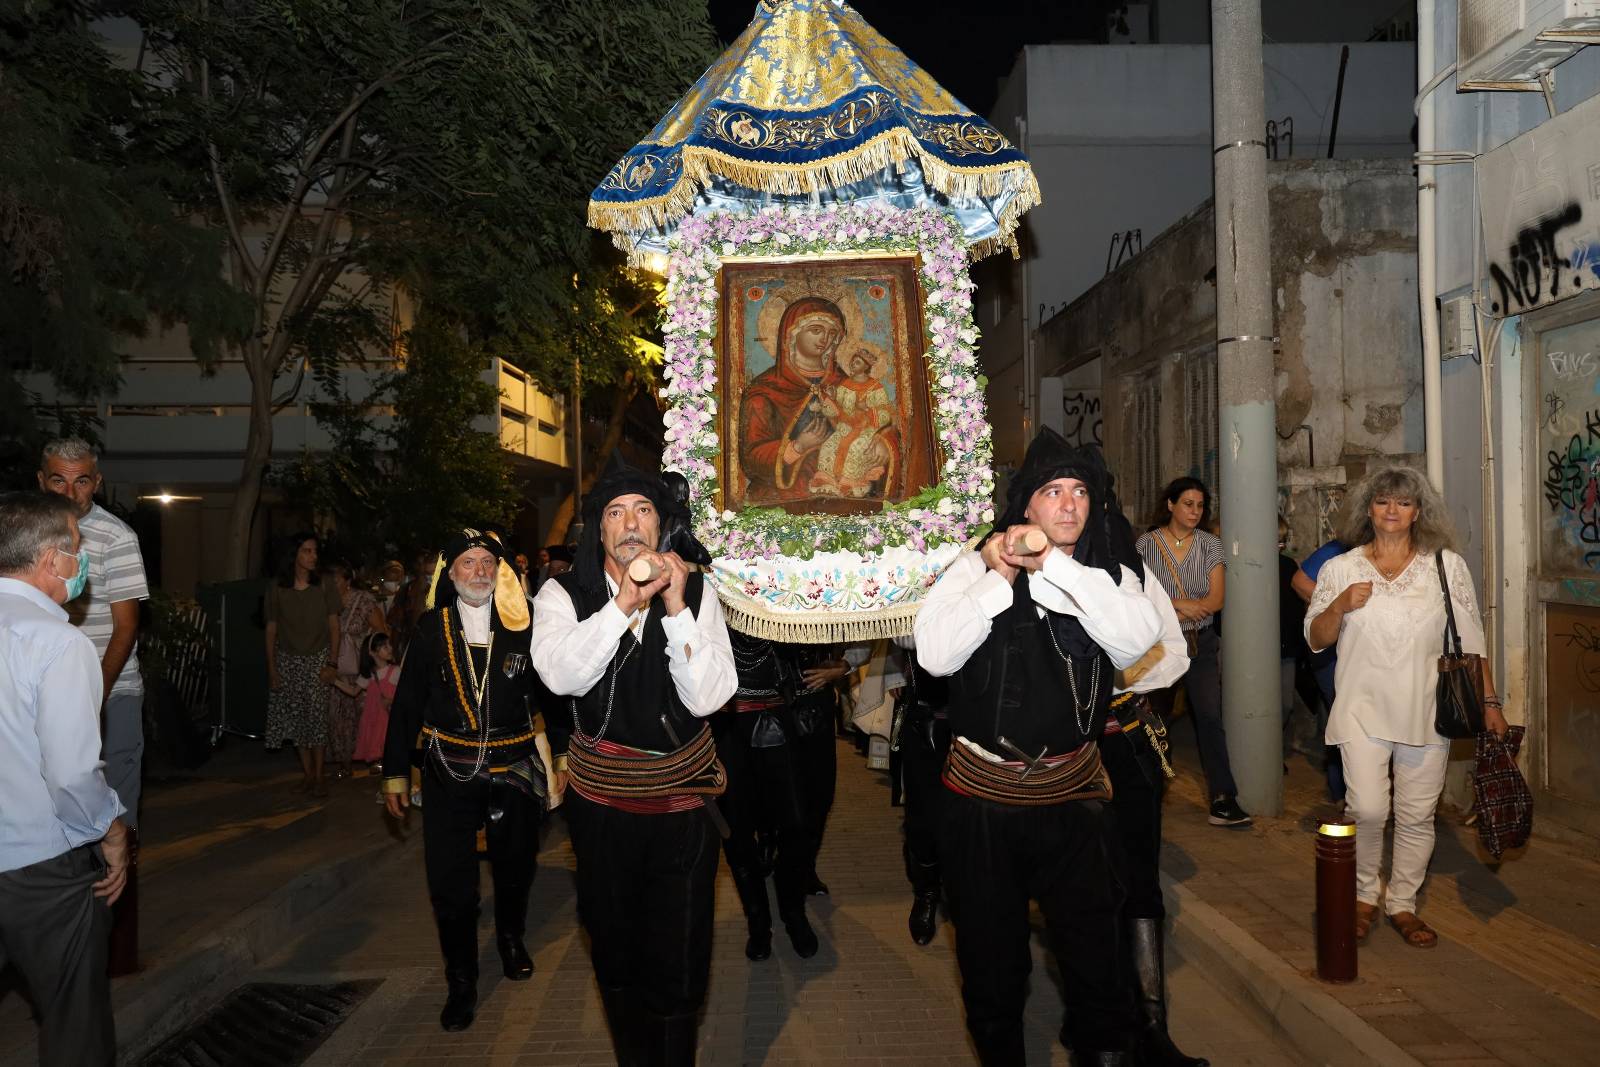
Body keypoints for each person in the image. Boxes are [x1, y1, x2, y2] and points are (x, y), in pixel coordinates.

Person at [915, 429, 1162, 1065]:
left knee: (1096, 963)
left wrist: (1052, 564)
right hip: (982, 804)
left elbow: (1135, 641)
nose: (1069, 505)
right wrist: (998, 579)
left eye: (1080, 491)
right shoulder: (973, 566)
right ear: (1027, 505)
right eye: (1053, 492)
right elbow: (936, 657)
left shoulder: (1112, 571)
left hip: (1073, 799)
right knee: (992, 968)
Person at [532, 451, 736, 1064]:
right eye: (615, 512)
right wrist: (621, 606)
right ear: (599, 529)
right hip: (603, 812)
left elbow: (711, 695)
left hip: (683, 808)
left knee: (680, 962)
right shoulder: (562, 593)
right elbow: (561, 675)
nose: (629, 524)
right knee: (616, 955)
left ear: (660, 526)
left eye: (643, 510)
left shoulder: (697, 589)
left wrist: (673, 607)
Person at [1306, 465, 1507, 950]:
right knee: (1369, 809)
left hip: (1425, 708)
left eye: (1403, 502)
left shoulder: (1446, 566)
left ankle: (1402, 903)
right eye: (1382, 501)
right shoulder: (1341, 569)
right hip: (1361, 707)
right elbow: (1315, 638)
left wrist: (1491, 702)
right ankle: (1363, 895)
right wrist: (1339, 607)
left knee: (1417, 814)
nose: (1392, 511)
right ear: (1367, 510)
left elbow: (1471, 642)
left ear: (1419, 511)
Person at [382, 529, 546, 1031]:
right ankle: (462, 981)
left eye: (486, 563)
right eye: (467, 563)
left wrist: (559, 758)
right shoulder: (431, 627)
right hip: (446, 769)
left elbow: (551, 697)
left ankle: (511, 939)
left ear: (499, 571)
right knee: (451, 883)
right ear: (449, 574)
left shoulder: (525, 623)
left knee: (515, 865)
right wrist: (393, 775)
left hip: (514, 764)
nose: (478, 571)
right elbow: (407, 704)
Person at [0, 491, 129, 1067]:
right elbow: (73, 772)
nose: (81, 566)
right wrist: (110, 829)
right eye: (76, 551)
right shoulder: (59, 643)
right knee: (74, 1024)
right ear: (53, 560)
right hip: (41, 870)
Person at [1098, 488, 1203, 1067]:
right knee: (1084, 889)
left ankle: (1152, 1029)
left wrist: (1119, 676)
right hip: (1062, 755)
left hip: (1129, 742)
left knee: (1140, 883)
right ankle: (1098, 1024)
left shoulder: (1130, 571)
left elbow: (1173, 654)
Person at [36, 437, 149, 973]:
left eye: (81, 479)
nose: (71, 490)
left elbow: (125, 627)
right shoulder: (27, 534)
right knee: (53, 815)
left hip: (112, 693)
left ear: (96, 482)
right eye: (59, 479)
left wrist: (93, 697)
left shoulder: (115, 536)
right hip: (43, 695)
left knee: (116, 814)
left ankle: (115, 948)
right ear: (42, 482)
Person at [1135, 478, 1250, 828]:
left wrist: (1173, 607)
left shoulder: (1210, 545)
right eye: (1187, 504)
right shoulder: (1146, 545)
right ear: (1170, 505)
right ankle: (1149, 791)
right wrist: (1182, 604)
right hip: (1159, 645)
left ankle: (1222, 797)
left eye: (1200, 506)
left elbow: (1216, 601)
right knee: (1157, 719)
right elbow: (1139, 599)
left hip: (1200, 643)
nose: (1194, 512)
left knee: (1210, 718)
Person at [717, 631, 820, 961]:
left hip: (777, 712)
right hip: (726, 723)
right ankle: (758, 922)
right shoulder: (706, 589)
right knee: (736, 832)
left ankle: (793, 913)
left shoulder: (777, 586)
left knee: (797, 826)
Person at [265, 533, 340, 796]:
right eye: (307, 551)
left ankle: (320, 775)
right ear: (294, 554)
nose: (313, 556)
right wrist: (272, 668)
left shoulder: (325, 584)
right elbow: (271, 629)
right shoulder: (278, 587)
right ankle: (308, 774)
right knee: (296, 720)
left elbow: (334, 625)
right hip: (287, 658)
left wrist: (332, 662)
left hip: (318, 656)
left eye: (314, 551)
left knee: (316, 717)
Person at [890, 636, 951, 946]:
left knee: (966, 817)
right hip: (926, 721)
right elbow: (902, 634)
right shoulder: (920, 590)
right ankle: (926, 893)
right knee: (922, 817)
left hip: (978, 719)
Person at [1295, 537, 1348, 805]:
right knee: (1343, 716)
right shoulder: (1340, 548)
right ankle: (1342, 792)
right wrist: (1336, 610)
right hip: (1330, 652)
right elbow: (1300, 581)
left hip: (1366, 654)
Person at [811, 343, 897, 499]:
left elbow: (886, 413)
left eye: (857, 362)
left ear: (865, 367)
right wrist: (831, 398)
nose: (852, 364)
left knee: (855, 449)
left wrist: (866, 409)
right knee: (828, 446)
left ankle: (851, 484)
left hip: (867, 429)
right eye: (852, 361)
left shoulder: (875, 387)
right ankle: (828, 482)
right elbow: (837, 411)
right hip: (846, 427)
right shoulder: (845, 385)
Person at [326, 561, 387, 779]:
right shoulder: (325, 601)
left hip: (361, 667)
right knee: (338, 717)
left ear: (348, 580)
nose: (331, 583)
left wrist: (375, 662)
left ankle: (374, 758)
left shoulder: (363, 601)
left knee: (366, 714)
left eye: (336, 579)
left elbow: (380, 631)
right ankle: (344, 763)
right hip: (335, 666)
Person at [349, 631, 399, 771]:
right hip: (375, 719)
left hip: (388, 719)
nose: (390, 648)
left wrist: (391, 699)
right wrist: (334, 681)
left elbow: (406, 695)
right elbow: (353, 691)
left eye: (389, 645)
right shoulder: (368, 674)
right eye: (384, 646)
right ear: (372, 652)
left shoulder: (395, 671)